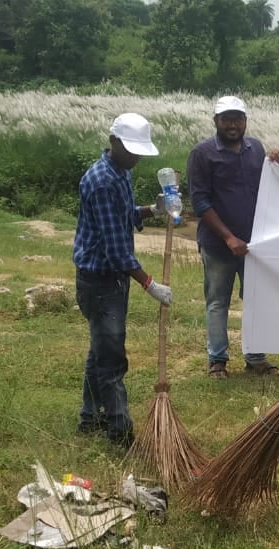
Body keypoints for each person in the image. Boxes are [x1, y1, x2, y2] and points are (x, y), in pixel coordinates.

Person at [73, 113, 173, 446]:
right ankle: (120, 430)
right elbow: (116, 250)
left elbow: (123, 215)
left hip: (112, 280)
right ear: (114, 142)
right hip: (100, 281)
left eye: (139, 152)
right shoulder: (102, 181)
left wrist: (152, 210)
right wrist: (150, 284)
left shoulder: (120, 172)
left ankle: (90, 417)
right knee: (112, 358)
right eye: (131, 150)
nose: (136, 157)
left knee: (100, 350)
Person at [187, 96, 279, 380]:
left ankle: (255, 357)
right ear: (215, 121)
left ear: (245, 121)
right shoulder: (202, 153)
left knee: (255, 300)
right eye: (226, 119)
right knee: (218, 301)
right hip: (219, 244)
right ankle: (217, 360)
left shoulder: (256, 148)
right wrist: (229, 237)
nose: (232, 124)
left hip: (253, 244)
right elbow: (200, 202)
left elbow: (269, 185)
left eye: (237, 119)